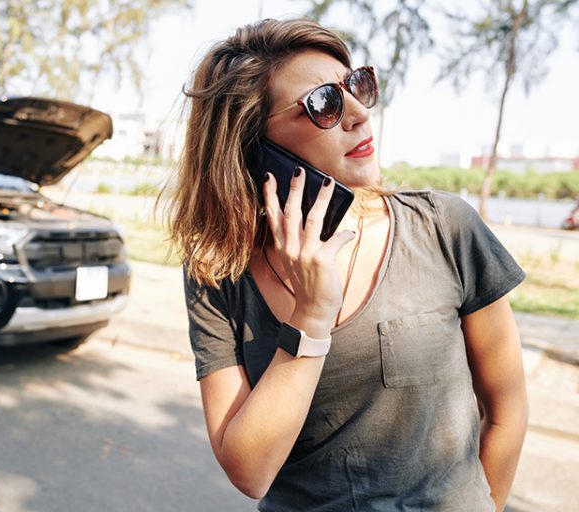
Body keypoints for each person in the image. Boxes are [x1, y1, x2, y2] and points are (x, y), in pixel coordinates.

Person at [164, 18, 528, 511]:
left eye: (356, 86)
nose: (359, 113)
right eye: (324, 104)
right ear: (255, 147)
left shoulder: (445, 227)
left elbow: (506, 410)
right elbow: (249, 471)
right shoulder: (217, 267)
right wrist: (309, 319)